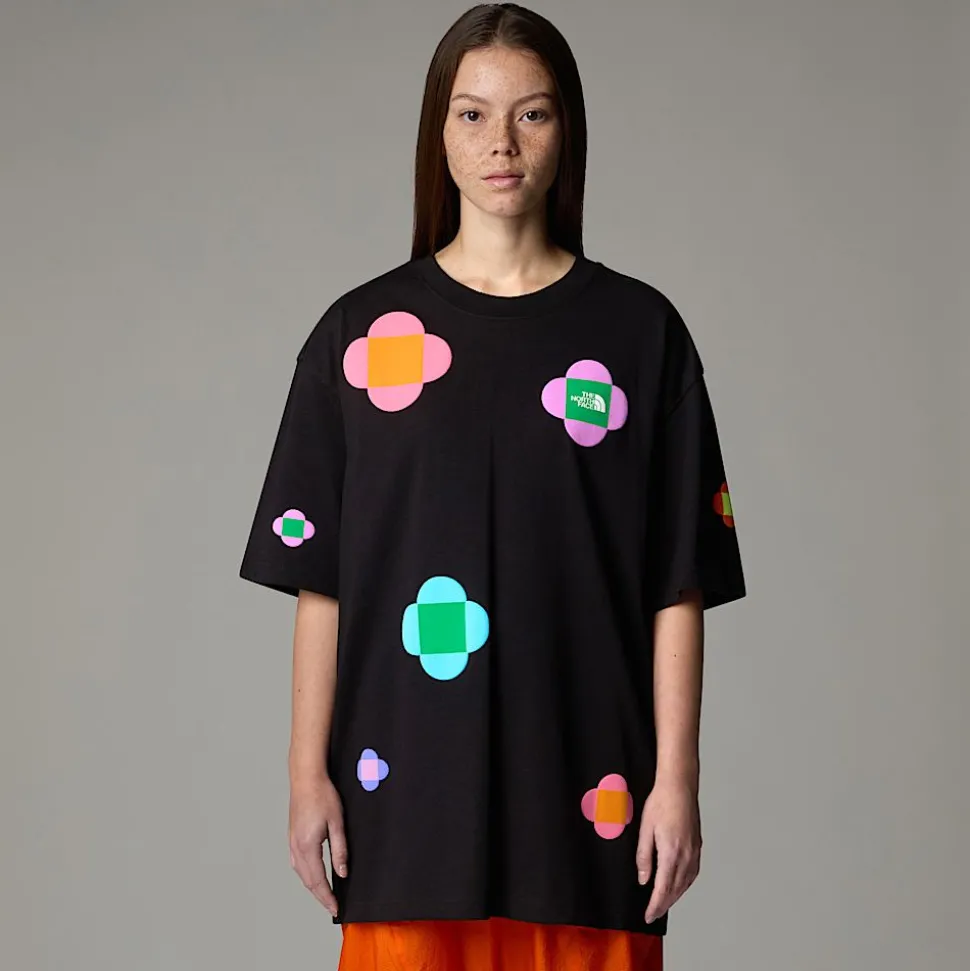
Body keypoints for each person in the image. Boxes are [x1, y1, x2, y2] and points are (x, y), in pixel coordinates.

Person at [239, 4, 747, 969]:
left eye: (532, 114)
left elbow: (677, 580)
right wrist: (306, 775)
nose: (501, 143)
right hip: (403, 800)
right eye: (472, 114)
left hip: (592, 797)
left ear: (568, 130)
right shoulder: (359, 339)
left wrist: (676, 780)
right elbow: (323, 581)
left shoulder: (642, 336)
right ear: (438, 131)